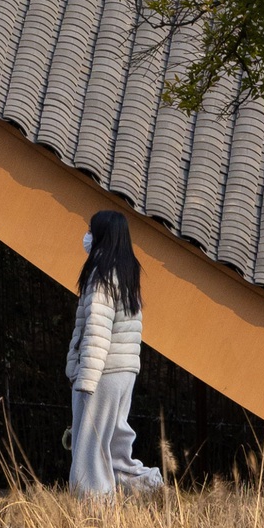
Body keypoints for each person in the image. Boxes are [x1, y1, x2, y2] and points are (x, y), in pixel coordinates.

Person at [66, 209, 162, 499]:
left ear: (101, 236)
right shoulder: (126, 273)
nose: (87, 236)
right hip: (124, 372)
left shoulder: (101, 276)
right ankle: (150, 489)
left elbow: (97, 329)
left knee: (90, 446)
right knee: (115, 446)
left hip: (102, 371)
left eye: (90, 230)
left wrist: (85, 380)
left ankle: (94, 507)